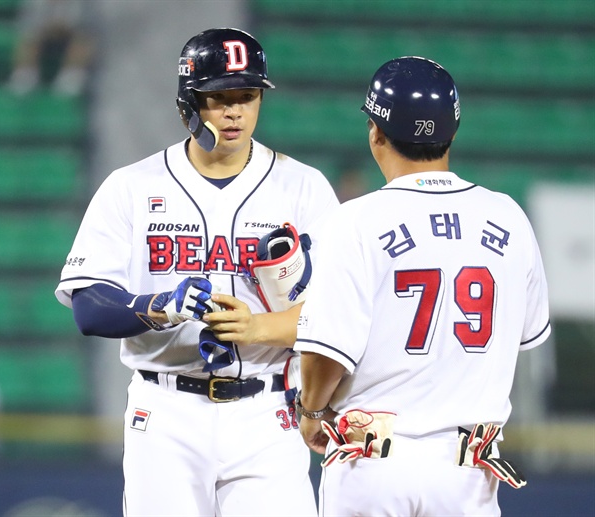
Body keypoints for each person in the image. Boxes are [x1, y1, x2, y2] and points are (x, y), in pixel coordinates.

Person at [55, 28, 339, 517]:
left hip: (267, 410)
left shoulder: (303, 187)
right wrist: (157, 307)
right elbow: (88, 306)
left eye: (247, 96)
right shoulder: (132, 187)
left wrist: (262, 327)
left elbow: (338, 312)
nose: (234, 112)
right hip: (166, 411)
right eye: (218, 97)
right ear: (188, 103)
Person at [294, 56, 551, 517]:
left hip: (374, 463)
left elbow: (327, 349)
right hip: (470, 473)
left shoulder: (354, 221)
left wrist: (311, 413)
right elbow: (523, 335)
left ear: (376, 132)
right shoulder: (508, 216)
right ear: (452, 130)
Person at [7, 0, 94, 96]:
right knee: (28, 37)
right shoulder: (36, 4)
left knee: (84, 37)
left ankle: (71, 78)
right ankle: (24, 76)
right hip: (42, 33)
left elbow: (86, 29)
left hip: (73, 35)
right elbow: (28, 27)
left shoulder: (85, 5)